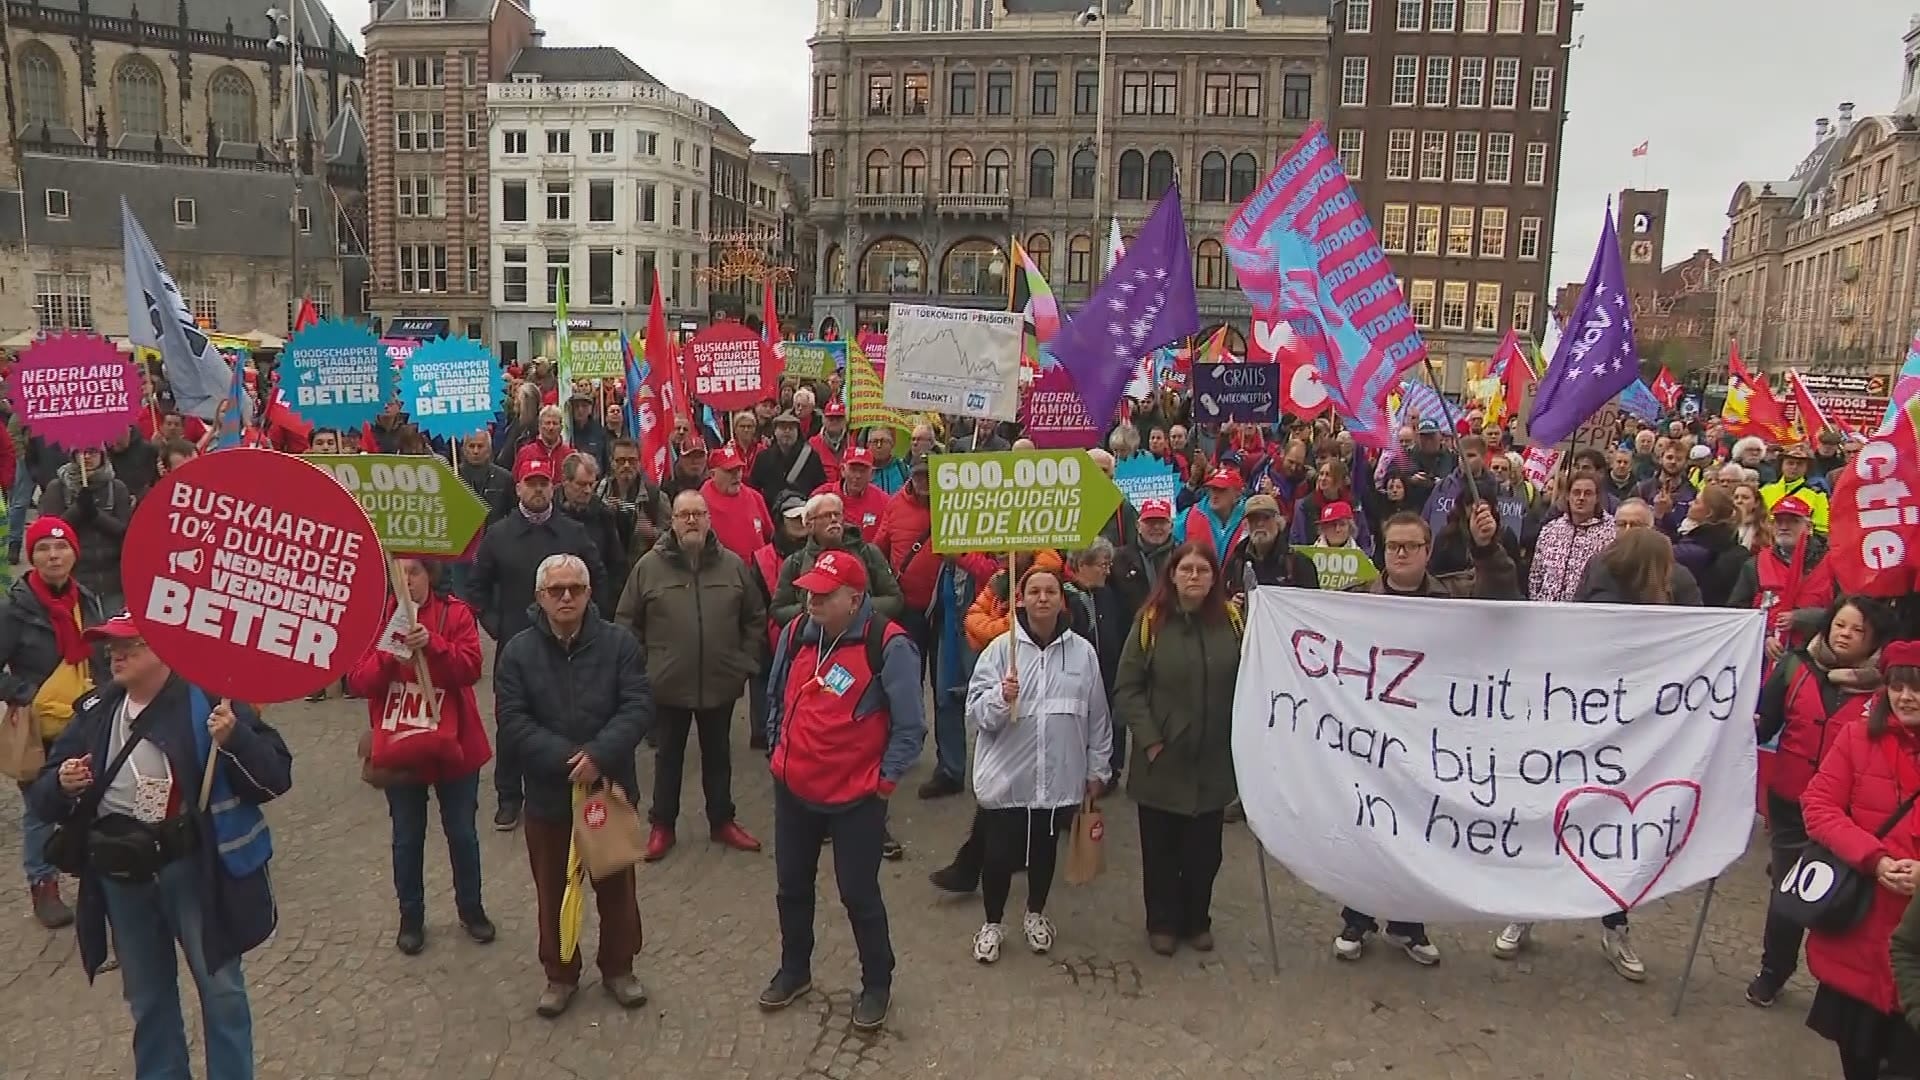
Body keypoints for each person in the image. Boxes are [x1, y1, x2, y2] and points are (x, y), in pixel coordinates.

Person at [32, 612, 291, 1080]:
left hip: (192, 868)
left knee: (222, 992)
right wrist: (65, 783)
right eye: (110, 647)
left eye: (130, 645)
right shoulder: (94, 711)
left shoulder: (211, 701)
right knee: (147, 997)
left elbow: (275, 777)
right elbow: (45, 793)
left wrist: (235, 738)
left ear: (165, 650)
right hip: (121, 875)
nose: (116, 655)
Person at [759, 549, 925, 1033]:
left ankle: (878, 983)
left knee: (859, 894)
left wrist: (886, 781)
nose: (811, 599)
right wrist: (778, 751)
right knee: (791, 886)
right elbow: (774, 695)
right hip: (793, 789)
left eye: (824, 595)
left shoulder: (889, 645)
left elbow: (911, 726)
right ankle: (795, 970)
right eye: (809, 591)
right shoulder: (795, 634)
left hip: (856, 798)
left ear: (854, 600)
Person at [494, 554, 652, 1018]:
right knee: (553, 891)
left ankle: (620, 968)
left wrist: (599, 755)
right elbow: (512, 719)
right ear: (539, 596)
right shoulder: (518, 652)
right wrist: (570, 760)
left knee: (617, 888)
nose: (566, 597)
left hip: (608, 789)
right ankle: (560, 975)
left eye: (575, 589)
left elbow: (639, 705)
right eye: (556, 590)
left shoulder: (619, 644)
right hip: (548, 796)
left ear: (589, 593)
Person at [1749, 596, 1901, 1008]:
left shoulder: (1888, 688)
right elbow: (1765, 722)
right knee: (1789, 889)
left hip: (1853, 817)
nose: (1845, 634)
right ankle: (1773, 971)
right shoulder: (1795, 666)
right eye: (1840, 625)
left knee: (1841, 897)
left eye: (1857, 630)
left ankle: (1836, 985)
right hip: (1791, 801)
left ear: (1874, 639)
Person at [345, 558, 495, 955]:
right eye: (400, 572)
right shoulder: (377, 621)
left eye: (414, 571)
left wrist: (435, 645)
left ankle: (471, 908)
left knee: (462, 833)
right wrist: (389, 654)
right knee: (406, 837)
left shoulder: (455, 613)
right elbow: (357, 681)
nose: (406, 580)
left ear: (429, 575)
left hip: (455, 745)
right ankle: (411, 918)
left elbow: (471, 669)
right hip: (402, 747)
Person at [964, 563, 1111, 962]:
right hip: (1007, 776)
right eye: (1034, 592)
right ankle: (992, 922)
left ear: (1061, 599)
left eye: (1050, 591)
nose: (1042, 598)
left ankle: (1035, 913)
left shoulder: (1083, 653)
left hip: (1058, 775)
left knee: (1044, 850)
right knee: (998, 855)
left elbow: (1098, 714)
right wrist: (1000, 696)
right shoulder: (1000, 650)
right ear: (1021, 600)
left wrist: (1099, 768)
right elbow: (975, 713)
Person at [616, 490, 766, 861]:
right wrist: (646, 669)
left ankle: (722, 820)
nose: (692, 521)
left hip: (720, 682)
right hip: (668, 686)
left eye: (699, 514)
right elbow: (626, 623)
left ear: (709, 519)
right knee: (669, 758)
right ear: (673, 521)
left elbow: (755, 618)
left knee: (719, 757)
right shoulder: (649, 567)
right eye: (684, 515)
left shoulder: (732, 565)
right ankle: (662, 826)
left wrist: (742, 662)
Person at [463, 457, 607, 831]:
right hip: (516, 645)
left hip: (570, 646)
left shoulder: (572, 533)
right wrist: (495, 625)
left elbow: (600, 579)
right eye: (531, 482)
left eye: (544, 482)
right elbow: (476, 586)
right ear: (519, 488)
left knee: (566, 715)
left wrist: (590, 624)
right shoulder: (499, 535)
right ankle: (509, 796)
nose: (538, 489)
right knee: (513, 721)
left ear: (553, 486)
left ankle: (568, 787)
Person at [1799, 638, 1920, 1080]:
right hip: (1861, 928)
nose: (1906, 696)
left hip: (1915, 945)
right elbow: (1819, 806)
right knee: (1859, 1059)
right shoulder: (1857, 737)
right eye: (1898, 686)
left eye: (1918, 688)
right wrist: (1874, 858)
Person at [1114, 543, 1242, 957]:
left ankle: (1196, 919)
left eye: (1202, 570)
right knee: (1161, 851)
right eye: (1185, 569)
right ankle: (1163, 922)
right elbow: (1128, 687)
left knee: (1205, 853)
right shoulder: (1151, 623)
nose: (1193, 577)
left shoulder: (1233, 622)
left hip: (1213, 761)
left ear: (1214, 577)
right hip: (1162, 760)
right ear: (1171, 575)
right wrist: (1151, 741)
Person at [0, 517, 107, 928]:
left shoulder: (89, 601)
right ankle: (43, 884)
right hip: (40, 728)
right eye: (43, 548)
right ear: (33, 557)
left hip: (86, 719)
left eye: (61, 548)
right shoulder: (15, 610)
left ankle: (95, 875)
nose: (54, 556)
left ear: (74, 554)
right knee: (40, 811)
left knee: (91, 800)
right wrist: (24, 693)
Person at [38, 448, 133, 612]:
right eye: (82, 452)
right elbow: (52, 532)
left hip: (112, 579)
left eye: (93, 452)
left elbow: (125, 532)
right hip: (74, 577)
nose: (87, 457)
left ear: (102, 455)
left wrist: (96, 515)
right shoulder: (57, 488)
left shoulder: (116, 487)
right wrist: (77, 510)